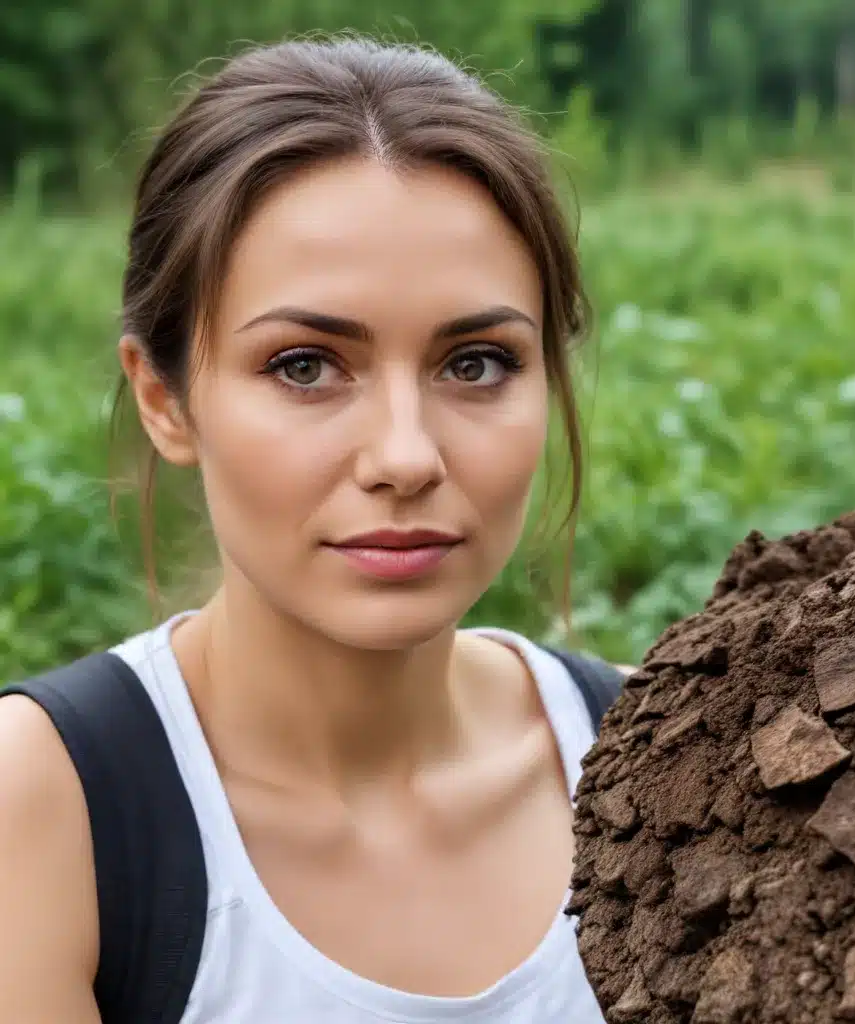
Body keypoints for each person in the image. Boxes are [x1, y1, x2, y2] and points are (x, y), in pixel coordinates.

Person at [0, 37, 633, 1024]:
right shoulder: (48, 809)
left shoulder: (658, 756)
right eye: (304, 365)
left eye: (474, 362)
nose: (405, 455)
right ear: (164, 398)